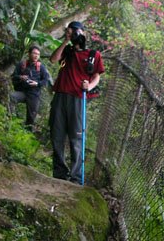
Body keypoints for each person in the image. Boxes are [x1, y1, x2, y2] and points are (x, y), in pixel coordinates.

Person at [49, 21, 104, 183]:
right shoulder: (67, 51)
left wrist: (89, 86)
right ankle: (59, 172)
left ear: (83, 33)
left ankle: (75, 176)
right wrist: (66, 40)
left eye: (76, 31)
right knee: (57, 134)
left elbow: (96, 76)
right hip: (60, 96)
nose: (74, 34)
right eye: (70, 31)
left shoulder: (93, 55)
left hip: (78, 98)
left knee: (76, 136)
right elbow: (53, 59)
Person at [10, 45, 50, 128]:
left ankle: (27, 132)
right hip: (22, 92)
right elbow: (13, 76)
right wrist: (20, 77)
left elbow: (45, 80)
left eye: (38, 54)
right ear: (29, 54)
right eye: (34, 53)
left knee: (31, 118)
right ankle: (10, 120)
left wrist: (37, 83)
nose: (36, 56)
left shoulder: (41, 67)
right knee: (11, 97)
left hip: (34, 95)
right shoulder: (22, 65)